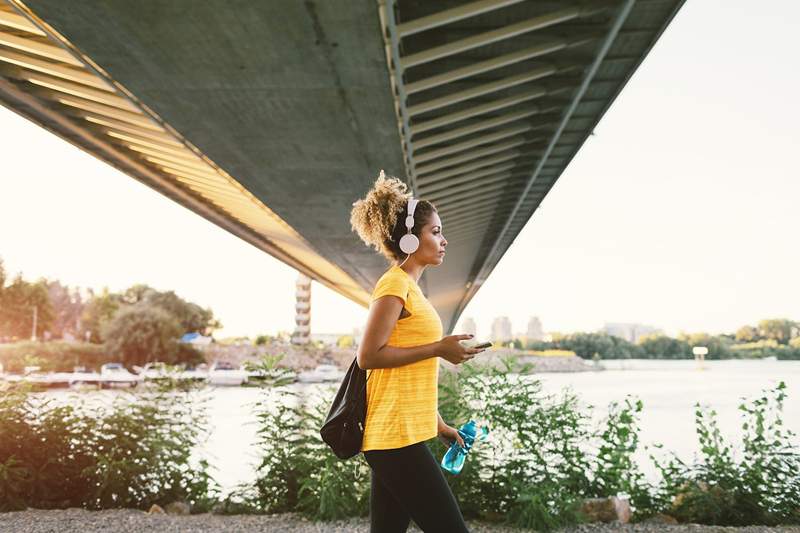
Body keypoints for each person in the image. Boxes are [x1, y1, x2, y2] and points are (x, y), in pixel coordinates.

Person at [350, 171, 486, 532]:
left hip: (401, 434)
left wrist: (439, 425)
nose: (444, 240)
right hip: (394, 438)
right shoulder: (393, 284)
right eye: (435, 232)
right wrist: (439, 348)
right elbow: (369, 357)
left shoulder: (412, 289)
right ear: (410, 239)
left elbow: (408, 374)